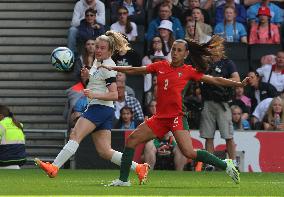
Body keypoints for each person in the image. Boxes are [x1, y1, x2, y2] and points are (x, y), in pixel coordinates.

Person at [101, 36, 248, 186]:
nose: (175, 53)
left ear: (186, 54)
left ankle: (226, 165)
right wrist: (113, 68)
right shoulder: (160, 66)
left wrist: (238, 83)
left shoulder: (188, 71)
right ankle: (123, 180)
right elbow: (134, 70)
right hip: (159, 118)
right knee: (132, 140)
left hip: (176, 117)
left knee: (189, 153)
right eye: (173, 50)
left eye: (179, 50)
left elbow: (216, 80)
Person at [35, 31, 149, 184]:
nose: (98, 50)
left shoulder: (107, 67)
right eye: (97, 47)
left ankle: (54, 167)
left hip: (99, 108)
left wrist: (94, 94)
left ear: (109, 51)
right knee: (105, 151)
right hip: (104, 110)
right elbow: (100, 83)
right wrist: (89, 76)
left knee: (75, 134)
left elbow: (115, 95)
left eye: (102, 48)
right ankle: (139, 168)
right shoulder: (98, 62)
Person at [199, 54, 240, 171]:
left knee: (228, 136)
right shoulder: (205, 63)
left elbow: (236, 79)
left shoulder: (227, 63)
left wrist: (218, 81)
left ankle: (233, 163)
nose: (212, 50)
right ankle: (210, 164)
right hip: (207, 102)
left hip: (223, 103)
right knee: (208, 136)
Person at [0, 105, 26, 169]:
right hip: (21, 159)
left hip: (5, 160)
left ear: (0, 115)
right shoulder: (19, 124)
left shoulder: (1, 124)